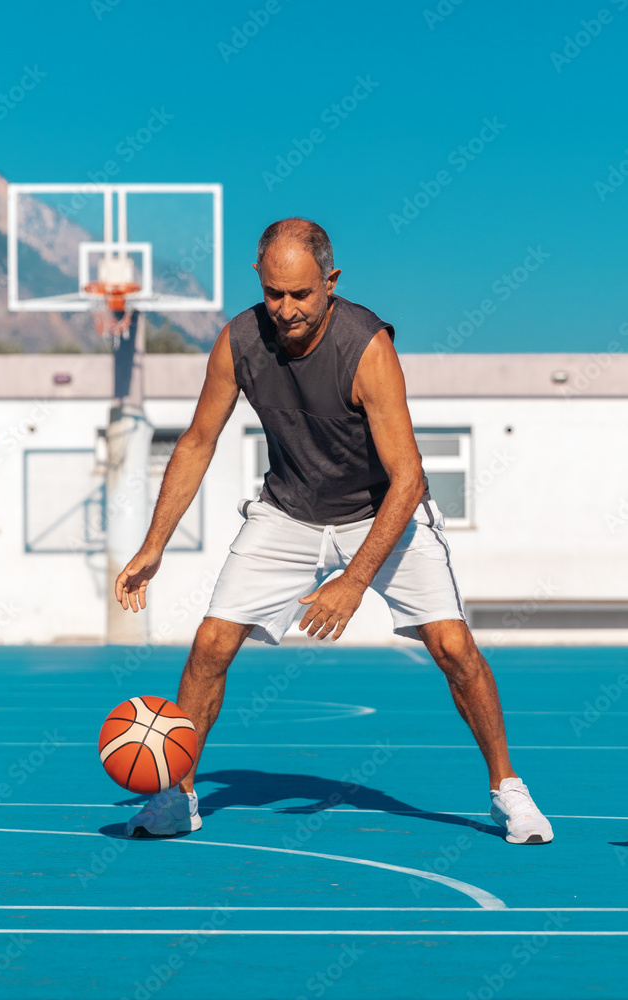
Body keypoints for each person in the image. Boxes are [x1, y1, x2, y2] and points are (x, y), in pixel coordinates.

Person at [115, 218, 553, 846]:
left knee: (454, 649)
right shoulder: (238, 340)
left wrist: (354, 579)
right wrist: (153, 545)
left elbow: (408, 478)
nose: (286, 309)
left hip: (382, 511)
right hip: (288, 510)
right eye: (274, 294)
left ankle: (508, 791)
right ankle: (176, 797)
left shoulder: (367, 346)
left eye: (300, 294)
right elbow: (197, 442)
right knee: (211, 644)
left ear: (330, 281)